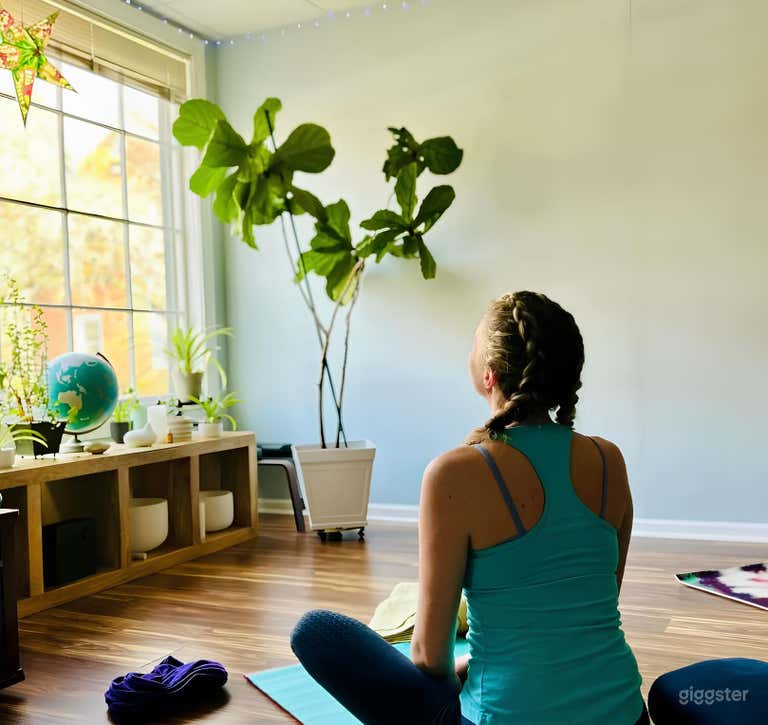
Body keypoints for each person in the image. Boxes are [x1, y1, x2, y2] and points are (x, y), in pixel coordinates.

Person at [291, 291, 649, 724]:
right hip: (627, 714)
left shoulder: (454, 473)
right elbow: (593, 604)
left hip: (502, 715)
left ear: (489, 375)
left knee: (315, 633)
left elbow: (427, 656)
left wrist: (461, 668)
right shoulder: (609, 459)